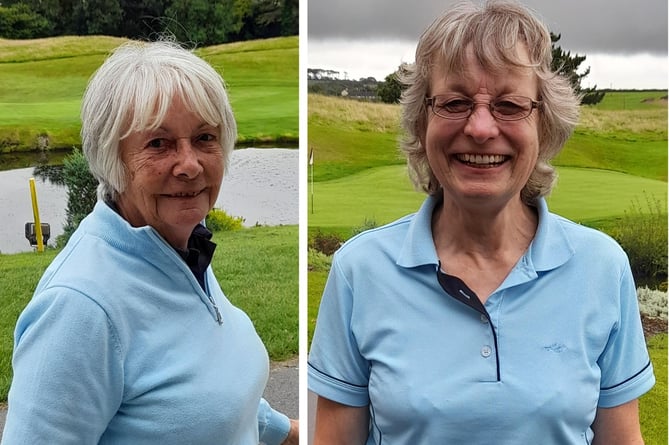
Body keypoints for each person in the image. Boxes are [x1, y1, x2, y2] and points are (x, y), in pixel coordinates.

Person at [307, 1, 655, 444]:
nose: (481, 127)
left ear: (544, 124)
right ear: (422, 120)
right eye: (455, 102)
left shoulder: (601, 266)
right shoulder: (360, 271)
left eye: (509, 104)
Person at [3, 40, 298, 445]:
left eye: (205, 138)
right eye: (159, 144)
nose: (190, 165)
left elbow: (202, 396)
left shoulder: (179, 246)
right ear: (113, 158)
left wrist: (292, 433)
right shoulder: (79, 307)